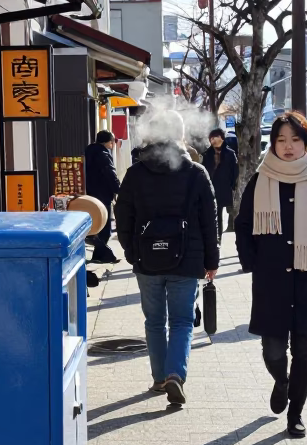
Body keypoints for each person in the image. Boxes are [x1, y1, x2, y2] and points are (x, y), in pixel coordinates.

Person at [235, 111, 307, 438]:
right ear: (273, 144)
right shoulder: (261, 180)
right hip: (271, 282)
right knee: (272, 351)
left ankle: (295, 415)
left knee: (304, 351)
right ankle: (282, 382)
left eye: (295, 140)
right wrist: (254, 262)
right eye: (281, 140)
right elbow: (242, 226)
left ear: (306, 143)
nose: (288, 147)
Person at [115, 111, 219, 406]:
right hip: (187, 260)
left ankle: (159, 378)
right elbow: (209, 223)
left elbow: (122, 216)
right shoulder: (197, 173)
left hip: (146, 260)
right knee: (183, 320)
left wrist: (131, 251)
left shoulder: (136, 173)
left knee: (155, 320)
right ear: (181, 136)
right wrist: (211, 260)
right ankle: (176, 374)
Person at [84, 131, 121, 264]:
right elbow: (110, 174)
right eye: (113, 142)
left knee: (95, 225)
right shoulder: (104, 155)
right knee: (104, 227)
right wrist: (118, 190)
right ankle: (102, 255)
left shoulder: (88, 152)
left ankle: (100, 254)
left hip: (89, 194)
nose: (113, 144)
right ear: (108, 142)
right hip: (102, 195)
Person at [202, 127, 239, 242]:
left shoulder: (230, 154)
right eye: (211, 138)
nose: (213, 140)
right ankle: (217, 238)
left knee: (228, 213)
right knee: (215, 216)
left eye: (215, 137)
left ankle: (224, 237)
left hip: (225, 188)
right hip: (211, 189)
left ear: (221, 138)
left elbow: (235, 171)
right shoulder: (207, 154)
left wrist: (232, 185)